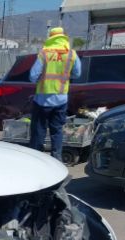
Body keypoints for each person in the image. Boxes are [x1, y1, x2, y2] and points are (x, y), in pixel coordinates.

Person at [28, 27, 82, 161]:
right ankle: (56, 159)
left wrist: (41, 79)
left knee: (38, 131)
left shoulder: (44, 53)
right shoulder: (71, 54)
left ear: (51, 38)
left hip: (42, 99)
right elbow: (77, 73)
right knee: (57, 131)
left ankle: (36, 159)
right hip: (61, 99)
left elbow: (32, 76)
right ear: (63, 37)